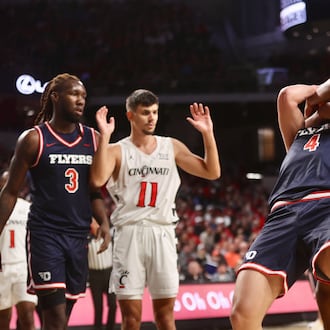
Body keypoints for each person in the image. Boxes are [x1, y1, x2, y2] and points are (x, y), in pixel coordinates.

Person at [89, 89, 221, 330]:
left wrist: (208, 134)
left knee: (165, 317)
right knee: (131, 319)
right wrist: (104, 138)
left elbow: (212, 172)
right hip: (129, 235)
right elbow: (97, 180)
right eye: (145, 113)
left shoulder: (171, 146)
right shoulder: (117, 150)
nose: (151, 118)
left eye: (155, 112)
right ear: (130, 116)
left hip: (163, 233)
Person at [0, 73, 111, 330]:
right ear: (55, 97)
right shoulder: (34, 139)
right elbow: (10, 192)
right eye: (74, 94)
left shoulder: (92, 139)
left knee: (63, 319)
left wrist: (103, 221)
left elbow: (94, 190)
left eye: (83, 95)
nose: (81, 100)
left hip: (78, 237)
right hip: (45, 236)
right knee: (56, 320)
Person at [230, 79, 330, 330]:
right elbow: (287, 96)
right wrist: (316, 97)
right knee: (242, 314)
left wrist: (316, 99)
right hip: (283, 215)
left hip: (326, 208)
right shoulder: (298, 132)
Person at [0, 170, 38, 330]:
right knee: (3, 319)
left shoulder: (29, 208)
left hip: (23, 267)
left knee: (27, 316)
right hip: (2, 269)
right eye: (5, 181)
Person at [88, 218, 117, 330]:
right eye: (93, 223)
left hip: (109, 273)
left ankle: (110, 327)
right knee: (98, 307)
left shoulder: (110, 238)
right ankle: (98, 327)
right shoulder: (87, 240)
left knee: (113, 305)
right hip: (94, 276)